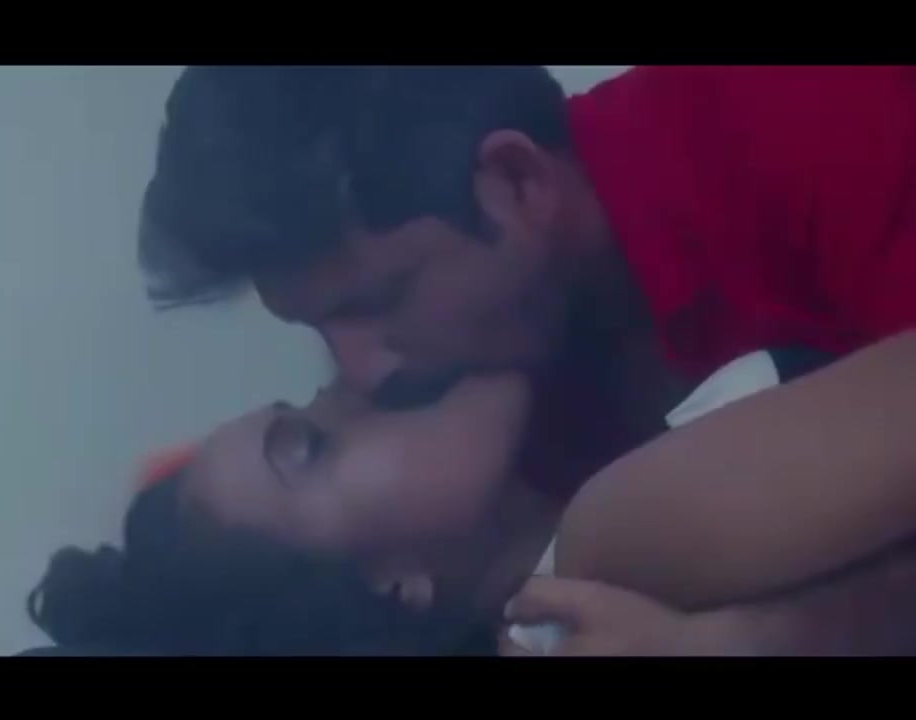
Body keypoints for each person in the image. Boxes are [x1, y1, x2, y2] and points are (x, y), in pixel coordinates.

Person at [135, 66, 916, 655]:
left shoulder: (798, 118)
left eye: (382, 300)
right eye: (321, 329)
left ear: (515, 181)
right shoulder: (531, 442)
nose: (364, 374)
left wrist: (764, 638)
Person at [25, 347, 905, 655]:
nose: (356, 379)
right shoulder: (612, 541)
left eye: (309, 399)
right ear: (389, 588)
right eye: (312, 447)